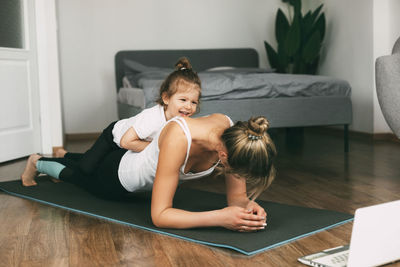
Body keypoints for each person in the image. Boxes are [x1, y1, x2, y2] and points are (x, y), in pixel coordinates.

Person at [21, 114, 277, 232]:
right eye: (237, 170)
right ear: (224, 157)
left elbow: (237, 198)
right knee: (74, 177)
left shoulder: (236, 138)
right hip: (116, 178)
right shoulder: (180, 137)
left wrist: (248, 207)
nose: (237, 175)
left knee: (83, 162)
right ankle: (37, 161)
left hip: (133, 159)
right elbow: (160, 216)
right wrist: (219, 218)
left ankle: (64, 153)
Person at [56, 57, 201, 175]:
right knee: (86, 168)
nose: (189, 107)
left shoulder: (182, 122)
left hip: (128, 145)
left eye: (194, 102)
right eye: (183, 100)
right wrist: (157, 147)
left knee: (96, 162)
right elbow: (126, 142)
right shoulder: (152, 118)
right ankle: (53, 160)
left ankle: (65, 154)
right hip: (113, 138)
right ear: (166, 98)